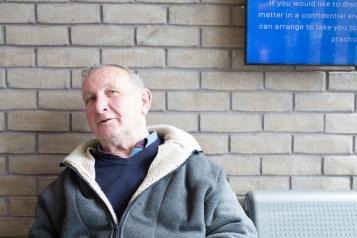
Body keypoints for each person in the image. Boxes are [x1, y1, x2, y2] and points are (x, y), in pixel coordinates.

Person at [30, 65, 258, 237]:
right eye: (90, 99)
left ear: (144, 101)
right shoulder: (66, 186)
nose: (99, 106)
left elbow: (238, 232)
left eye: (112, 92)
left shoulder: (197, 172)